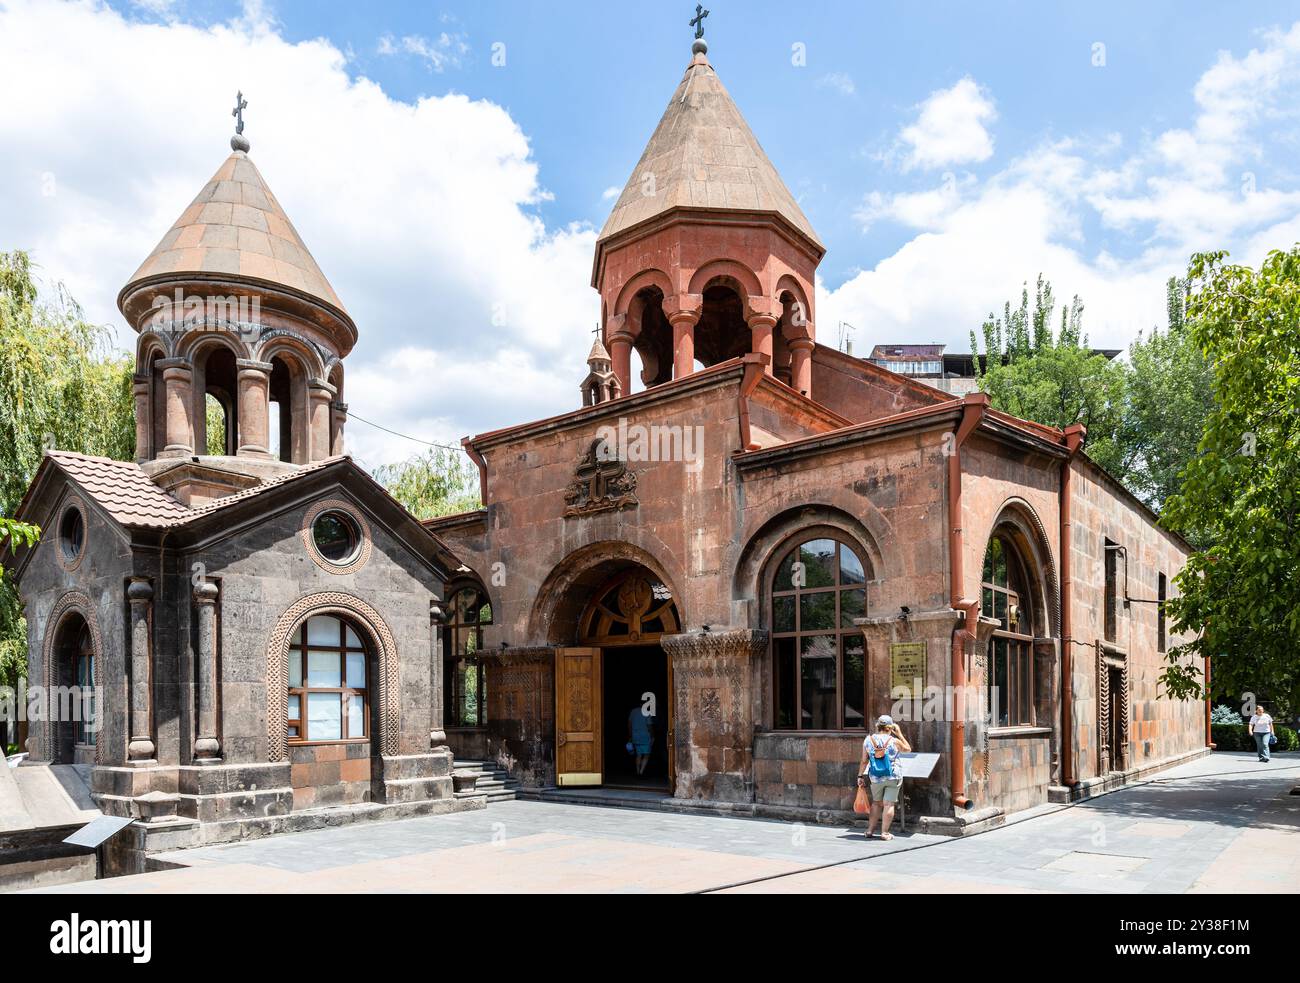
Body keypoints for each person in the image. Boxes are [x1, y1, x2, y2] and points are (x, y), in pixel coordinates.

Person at [857, 714, 912, 840]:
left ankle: (869, 831)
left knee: (876, 803)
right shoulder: (894, 740)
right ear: (890, 728)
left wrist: (860, 775)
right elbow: (908, 749)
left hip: (875, 777)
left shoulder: (868, 740)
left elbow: (864, 761)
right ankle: (884, 833)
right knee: (888, 804)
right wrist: (899, 734)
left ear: (877, 726)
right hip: (893, 775)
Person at [627, 702, 655, 776]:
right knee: (646, 755)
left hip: (635, 736)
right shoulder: (647, 712)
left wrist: (630, 735)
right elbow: (649, 726)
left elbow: (629, 724)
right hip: (645, 737)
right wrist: (652, 736)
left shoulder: (633, 711)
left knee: (638, 755)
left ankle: (637, 771)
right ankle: (641, 772)